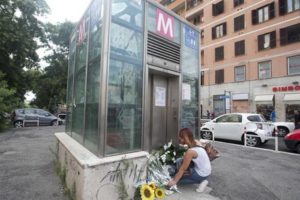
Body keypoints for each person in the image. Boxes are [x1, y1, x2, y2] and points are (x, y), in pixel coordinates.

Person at [167, 128, 211, 192]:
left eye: (180, 138)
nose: (179, 139)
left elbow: (183, 169)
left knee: (179, 181)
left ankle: (201, 180)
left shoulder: (190, 152)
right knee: (180, 160)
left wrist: (174, 181)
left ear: (184, 138)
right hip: (207, 171)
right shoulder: (196, 142)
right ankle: (200, 178)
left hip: (202, 173)